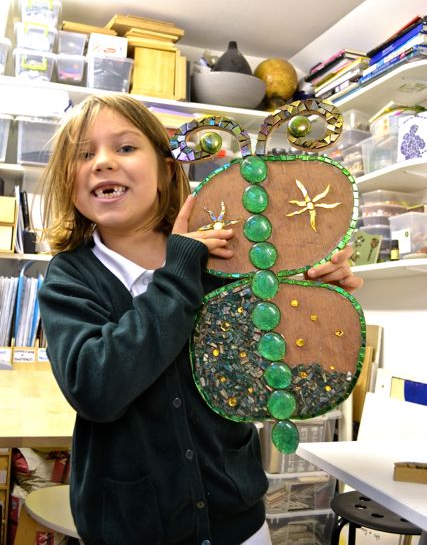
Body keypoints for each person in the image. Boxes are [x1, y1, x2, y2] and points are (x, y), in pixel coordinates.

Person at [37, 93, 363, 545]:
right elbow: (96, 388)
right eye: (84, 154)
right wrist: (177, 273)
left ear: (167, 170)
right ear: (67, 181)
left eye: (126, 148)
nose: (104, 162)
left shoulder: (225, 260)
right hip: (131, 526)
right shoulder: (70, 276)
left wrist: (312, 304)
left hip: (238, 519)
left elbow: (271, 371)